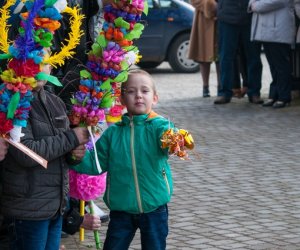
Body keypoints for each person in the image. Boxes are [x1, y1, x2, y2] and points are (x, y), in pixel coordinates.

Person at [70, 69, 194, 249]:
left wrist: (176, 139)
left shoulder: (160, 126)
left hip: (154, 207)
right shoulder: (113, 133)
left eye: (145, 91)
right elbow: (96, 164)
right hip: (121, 209)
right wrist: (75, 157)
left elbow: (169, 136)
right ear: (121, 100)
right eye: (131, 91)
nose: (138, 96)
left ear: (155, 98)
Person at [214, 0, 263, 104]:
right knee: (226, 57)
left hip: (249, 17)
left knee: (254, 57)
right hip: (227, 17)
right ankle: (224, 92)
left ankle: (254, 92)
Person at [248, 0, 295, 108]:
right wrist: (253, 4)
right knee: (273, 65)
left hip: (278, 30)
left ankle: (284, 97)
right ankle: (274, 94)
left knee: (281, 65)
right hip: (266, 30)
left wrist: (256, 5)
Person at [188, 0, 219, 97]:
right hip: (202, 21)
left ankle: (221, 86)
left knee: (220, 57)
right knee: (203, 55)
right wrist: (210, 5)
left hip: (221, 19)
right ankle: (205, 86)